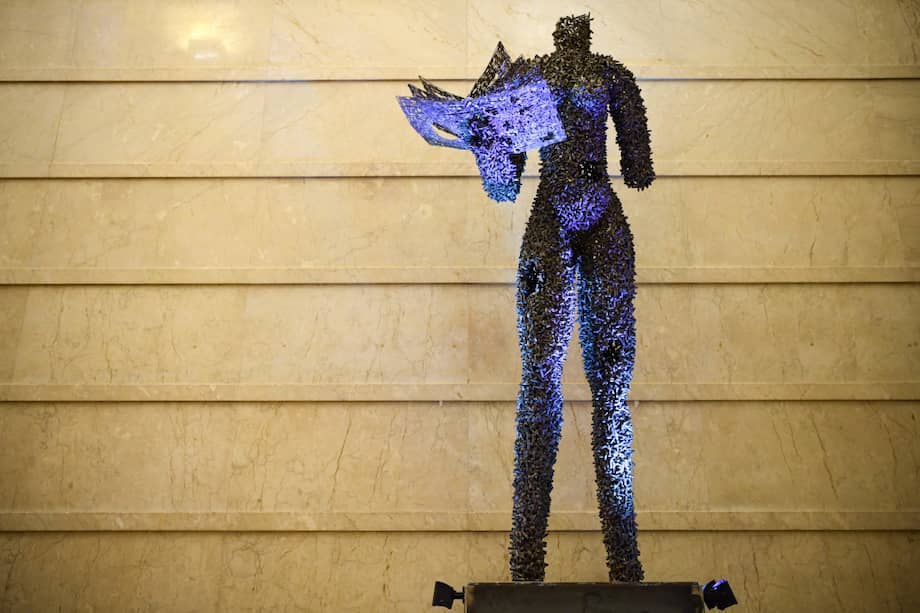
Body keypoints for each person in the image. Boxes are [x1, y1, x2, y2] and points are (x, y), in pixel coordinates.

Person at [507, 12, 655, 583]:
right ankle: (533, 564)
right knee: (548, 383)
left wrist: (495, 141)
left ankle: (614, 564)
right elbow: (639, 170)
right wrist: (488, 137)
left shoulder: (547, 78)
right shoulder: (602, 76)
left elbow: (639, 169)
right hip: (578, 213)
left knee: (594, 387)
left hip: (579, 216)